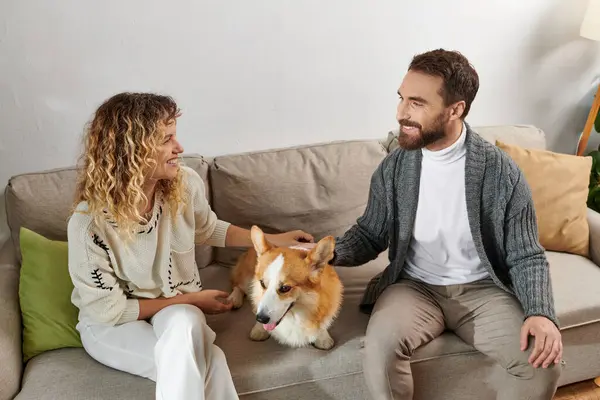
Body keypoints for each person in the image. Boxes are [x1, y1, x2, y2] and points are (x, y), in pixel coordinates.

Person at [298, 49, 563, 399]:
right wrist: (320, 255)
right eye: (401, 98)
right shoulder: (395, 168)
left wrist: (540, 313)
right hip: (415, 288)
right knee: (379, 351)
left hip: (483, 291)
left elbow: (526, 254)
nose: (401, 112)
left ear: (456, 109)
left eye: (417, 103)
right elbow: (370, 233)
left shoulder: (501, 173)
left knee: (542, 365)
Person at [67, 92, 314, 400]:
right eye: (166, 139)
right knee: (207, 360)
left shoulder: (184, 183)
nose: (179, 148)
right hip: (113, 325)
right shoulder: (88, 225)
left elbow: (208, 229)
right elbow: (111, 311)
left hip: (177, 310)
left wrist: (274, 240)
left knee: (184, 323)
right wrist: (196, 300)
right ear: (131, 150)